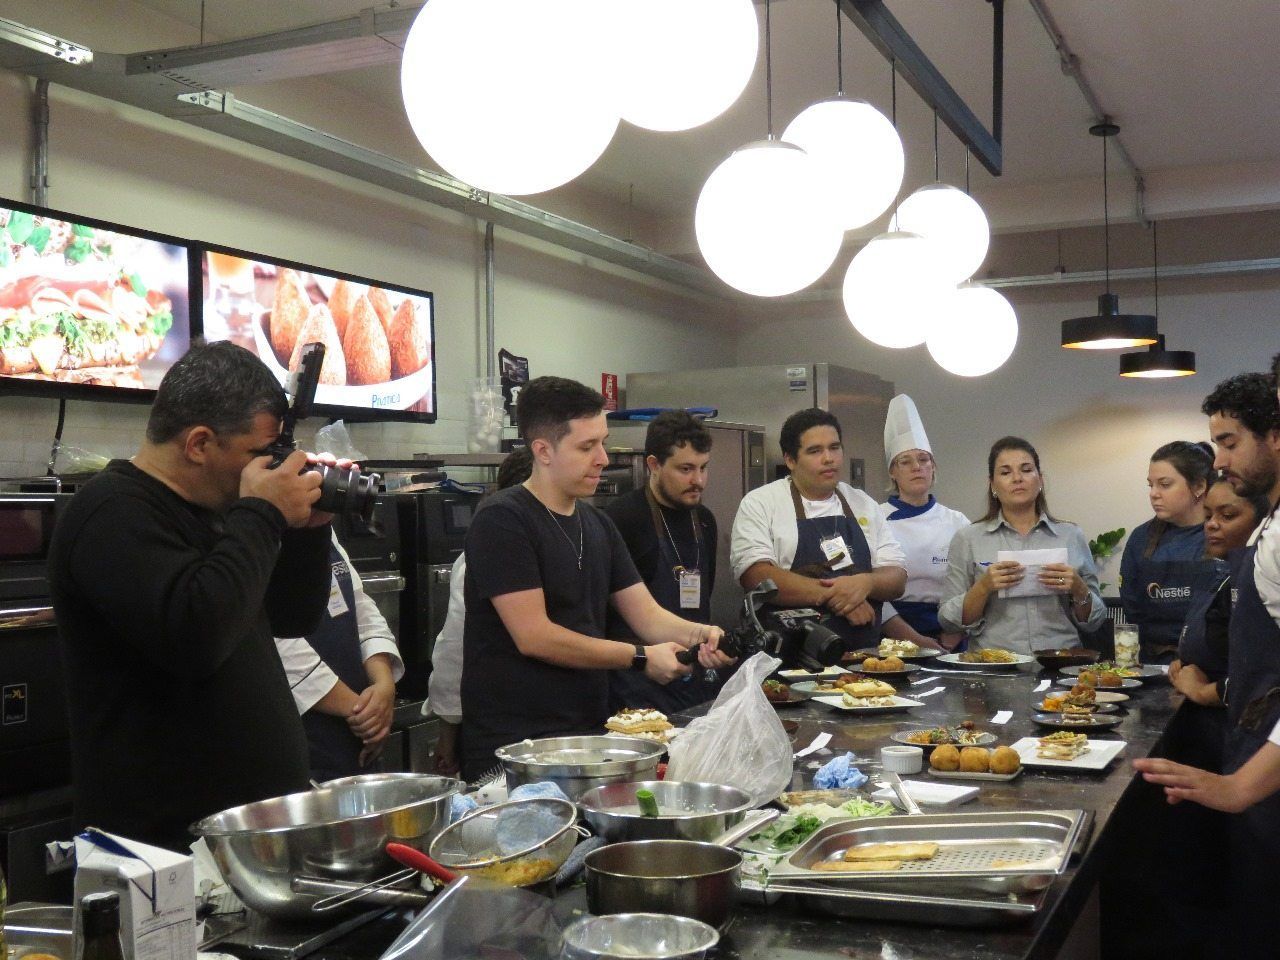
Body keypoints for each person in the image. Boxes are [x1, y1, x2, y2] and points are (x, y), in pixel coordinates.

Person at [48, 342, 335, 850]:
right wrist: (261, 514)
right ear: (199, 443)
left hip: (244, 841)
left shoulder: (220, 511)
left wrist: (308, 532)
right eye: (256, 454)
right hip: (160, 850)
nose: (265, 469)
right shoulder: (110, 512)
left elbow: (292, 616)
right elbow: (195, 637)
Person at [458, 377, 732, 781]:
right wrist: (640, 657)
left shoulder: (597, 523)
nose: (602, 458)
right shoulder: (504, 520)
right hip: (516, 750)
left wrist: (704, 634)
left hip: (586, 735)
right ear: (543, 451)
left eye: (602, 442)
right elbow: (535, 636)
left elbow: (648, 616)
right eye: (587, 447)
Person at [1135, 371, 1280, 947]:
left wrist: (1242, 785)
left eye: (1228, 442)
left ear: (1272, 435)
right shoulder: (1270, 530)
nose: (1219, 461)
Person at [730, 408, 906, 650]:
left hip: (861, 660)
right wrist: (841, 596)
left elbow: (896, 578)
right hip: (788, 660)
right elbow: (757, 576)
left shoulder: (862, 503)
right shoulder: (761, 503)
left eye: (834, 448)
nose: (828, 458)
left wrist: (866, 583)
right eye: (815, 451)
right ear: (790, 460)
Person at [938, 436, 1105, 654]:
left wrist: (1078, 588)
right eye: (1006, 472)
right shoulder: (968, 538)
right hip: (995, 667)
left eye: (1026, 470)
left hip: (1061, 664)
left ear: (1040, 479)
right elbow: (948, 621)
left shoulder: (1071, 535)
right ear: (992, 485)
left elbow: (1095, 621)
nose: (1017, 478)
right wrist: (984, 587)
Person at [604, 410, 720, 712]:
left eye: (704, 468)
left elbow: (703, 597)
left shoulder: (704, 521)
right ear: (653, 465)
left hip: (694, 675)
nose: (698, 480)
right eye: (685, 469)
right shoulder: (622, 518)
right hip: (637, 683)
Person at [427, 447, 533, 775]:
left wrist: (447, 730)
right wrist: (448, 733)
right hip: (498, 729)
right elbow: (456, 651)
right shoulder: (481, 555)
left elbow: (453, 651)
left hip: (528, 721)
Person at [274, 531, 404, 782]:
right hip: (302, 735)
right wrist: (365, 712)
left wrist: (384, 685)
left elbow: (360, 607)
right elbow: (278, 644)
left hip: (355, 734)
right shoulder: (257, 533)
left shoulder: (322, 529)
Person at [876, 395, 969, 651]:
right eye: (905, 462)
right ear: (892, 472)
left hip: (951, 630)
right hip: (894, 632)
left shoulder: (957, 522)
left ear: (933, 467)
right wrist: (913, 640)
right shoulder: (875, 519)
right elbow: (871, 591)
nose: (916, 467)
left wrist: (953, 634)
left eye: (923, 459)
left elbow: (975, 585)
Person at [1118, 441, 1216, 664]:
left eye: (1165, 484)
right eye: (1150, 485)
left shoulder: (1223, 535)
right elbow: (1133, 612)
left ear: (1199, 486)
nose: (1154, 494)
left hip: (1212, 667)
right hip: (1152, 664)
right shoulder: (1141, 539)